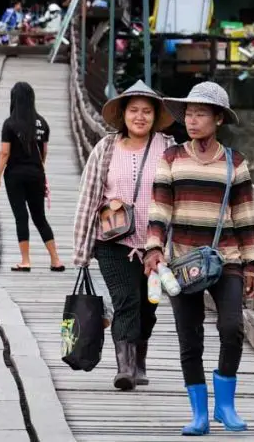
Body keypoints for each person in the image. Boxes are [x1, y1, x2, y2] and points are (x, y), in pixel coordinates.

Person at [143, 81, 254, 436]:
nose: (192, 121)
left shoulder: (235, 163)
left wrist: (253, 263)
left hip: (227, 259)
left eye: (200, 114)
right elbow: (160, 207)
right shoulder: (172, 158)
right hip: (182, 261)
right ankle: (198, 413)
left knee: (232, 329)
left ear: (218, 118)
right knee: (189, 337)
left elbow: (245, 217)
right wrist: (153, 247)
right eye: (189, 114)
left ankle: (225, 405)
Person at [72, 81, 174, 391]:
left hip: (155, 244)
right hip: (113, 242)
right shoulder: (106, 148)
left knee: (148, 305)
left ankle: (139, 359)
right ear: (123, 115)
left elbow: (177, 197)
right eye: (134, 111)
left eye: (146, 111)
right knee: (126, 300)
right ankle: (125, 368)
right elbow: (89, 197)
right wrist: (81, 249)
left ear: (155, 116)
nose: (140, 117)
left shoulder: (168, 148)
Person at [0, 81, 64, 272]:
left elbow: (4, 153)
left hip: (15, 176)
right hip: (36, 174)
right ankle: (55, 259)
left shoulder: (10, 123)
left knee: (21, 216)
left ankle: (25, 260)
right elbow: (44, 152)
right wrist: (39, 169)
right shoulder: (42, 123)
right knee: (40, 217)